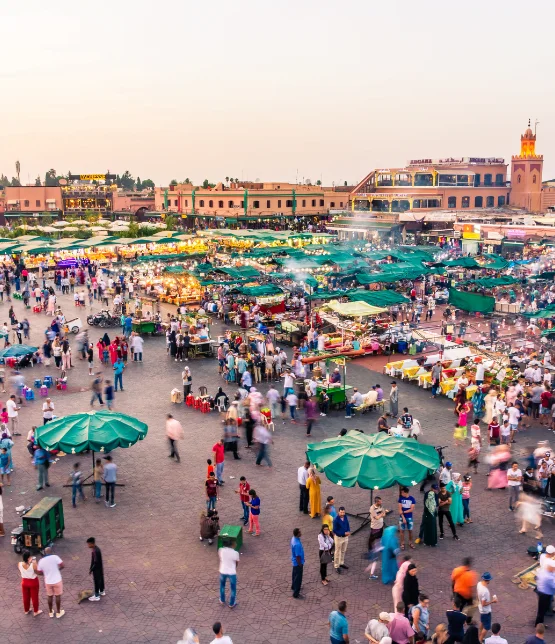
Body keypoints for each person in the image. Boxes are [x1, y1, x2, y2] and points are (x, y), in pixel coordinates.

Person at [36, 547, 65, 619]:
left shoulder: (41, 561)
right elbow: (62, 565)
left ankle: (50, 612)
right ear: (51, 552)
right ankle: (58, 612)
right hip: (57, 580)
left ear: (45, 553)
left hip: (48, 581)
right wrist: (58, 569)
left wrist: (45, 574)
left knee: (49, 596)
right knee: (58, 596)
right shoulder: (55, 557)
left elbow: (39, 572)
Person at [18, 551, 42, 616]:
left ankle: (26, 610)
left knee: (25, 597)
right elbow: (37, 571)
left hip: (24, 582)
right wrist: (34, 561)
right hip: (33, 582)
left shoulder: (19, 564)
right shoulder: (33, 564)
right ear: (29, 558)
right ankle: (36, 611)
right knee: (34, 597)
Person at [218, 538, 239, 608]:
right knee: (233, 588)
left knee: (222, 586)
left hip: (223, 570)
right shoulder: (235, 553)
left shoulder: (220, 550)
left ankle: (222, 599)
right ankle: (231, 603)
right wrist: (234, 567)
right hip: (232, 572)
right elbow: (236, 562)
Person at [477, 572, 497, 642]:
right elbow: (484, 604)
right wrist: (493, 601)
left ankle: (479, 635)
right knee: (487, 627)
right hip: (486, 611)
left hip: (481, 610)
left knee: (482, 622)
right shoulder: (485, 591)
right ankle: (480, 640)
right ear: (488, 580)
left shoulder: (479, 584)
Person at [333, 506, 350, 574]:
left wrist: (348, 531)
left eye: (343, 512)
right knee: (337, 552)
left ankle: (341, 563)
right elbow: (335, 530)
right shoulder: (336, 520)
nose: (342, 513)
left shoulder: (345, 517)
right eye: (341, 512)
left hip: (345, 537)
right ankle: (336, 566)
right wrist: (344, 533)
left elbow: (347, 524)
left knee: (343, 550)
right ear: (338, 512)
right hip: (339, 538)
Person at [291, 527, 305, 599]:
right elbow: (298, 556)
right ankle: (296, 593)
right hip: (298, 563)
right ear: (297, 534)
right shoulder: (297, 544)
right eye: (300, 532)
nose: (301, 533)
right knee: (298, 578)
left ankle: (293, 586)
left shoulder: (293, 539)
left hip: (294, 562)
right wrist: (300, 564)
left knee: (294, 574)